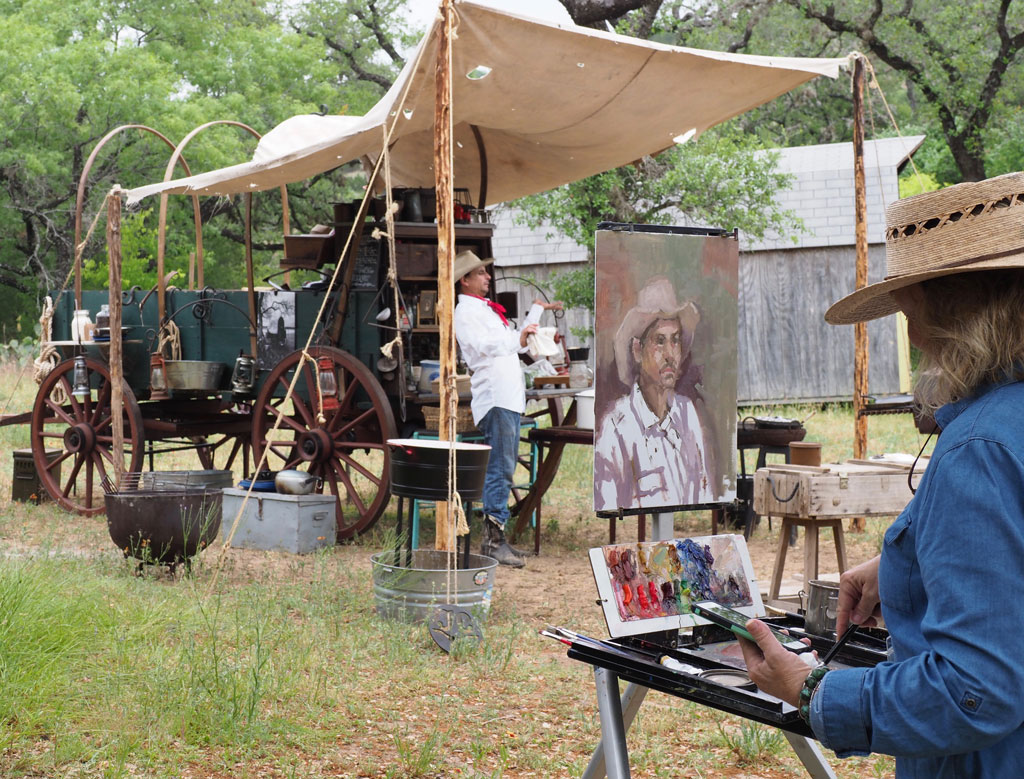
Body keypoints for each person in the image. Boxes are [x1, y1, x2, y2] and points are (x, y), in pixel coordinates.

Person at [738, 171, 1024, 776]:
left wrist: (812, 689)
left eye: (908, 306)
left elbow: (973, 693)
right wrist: (904, 561)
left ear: (954, 312)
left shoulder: (979, 446)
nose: (913, 335)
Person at [453, 250, 562, 567]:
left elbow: (512, 344)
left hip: (507, 396)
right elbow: (487, 346)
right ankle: (492, 541)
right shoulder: (467, 313)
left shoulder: (484, 310)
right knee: (499, 469)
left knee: (504, 466)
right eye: (481, 274)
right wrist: (521, 334)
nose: (488, 277)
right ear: (466, 280)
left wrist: (533, 319)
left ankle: (498, 538)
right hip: (495, 397)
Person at [594, 275, 716, 511]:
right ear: (638, 351)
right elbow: (608, 502)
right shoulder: (618, 426)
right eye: (660, 341)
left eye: (676, 341)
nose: (670, 354)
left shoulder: (686, 412)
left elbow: (703, 489)